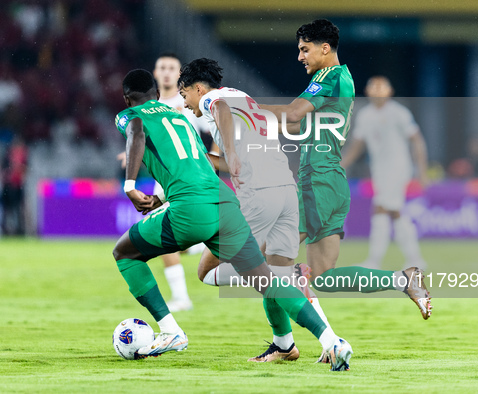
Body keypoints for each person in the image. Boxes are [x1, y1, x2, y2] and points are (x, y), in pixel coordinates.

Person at [112, 69, 352, 370]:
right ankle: (331, 340)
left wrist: (130, 185)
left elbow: (135, 128)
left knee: (124, 253)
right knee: (267, 279)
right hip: (225, 203)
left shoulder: (130, 114)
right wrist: (165, 199)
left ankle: (171, 331)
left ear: (126, 98)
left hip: (194, 208)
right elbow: (198, 166)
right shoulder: (181, 118)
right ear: (158, 94)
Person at [257, 19, 431, 338]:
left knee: (269, 263)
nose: (300, 57)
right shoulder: (342, 79)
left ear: (325, 48)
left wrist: (244, 108)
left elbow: (294, 115)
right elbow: (297, 126)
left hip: (317, 182)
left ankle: (285, 345)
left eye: (304, 49)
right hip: (331, 182)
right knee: (323, 276)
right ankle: (403, 279)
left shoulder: (330, 77)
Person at [178, 58, 333, 362]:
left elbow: (219, 110)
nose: (185, 105)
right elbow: (235, 155)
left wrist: (230, 154)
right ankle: (287, 345)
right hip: (286, 191)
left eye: (185, 96)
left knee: (206, 271)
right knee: (275, 273)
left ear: (198, 88)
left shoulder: (214, 99)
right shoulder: (244, 98)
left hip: (258, 197)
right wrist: (210, 159)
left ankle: (288, 282)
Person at [117, 54, 208, 312]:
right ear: (155, 75)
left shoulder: (189, 101)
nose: (167, 72)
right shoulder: (160, 105)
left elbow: (210, 131)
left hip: (185, 179)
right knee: (166, 235)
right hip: (168, 181)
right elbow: (142, 138)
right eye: (163, 68)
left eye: (172, 68)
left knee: (157, 238)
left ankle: (181, 297)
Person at [341, 76, 429, 270]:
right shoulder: (365, 115)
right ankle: (415, 260)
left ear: (390, 92)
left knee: (381, 208)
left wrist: (422, 170)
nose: (378, 93)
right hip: (380, 170)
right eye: (374, 88)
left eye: (382, 89)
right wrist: (341, 165)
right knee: (395, 212)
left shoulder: (399, 113)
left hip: (398, 167)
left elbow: (417, 140)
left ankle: (375, 262)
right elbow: (357, 144)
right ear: (368, 91)